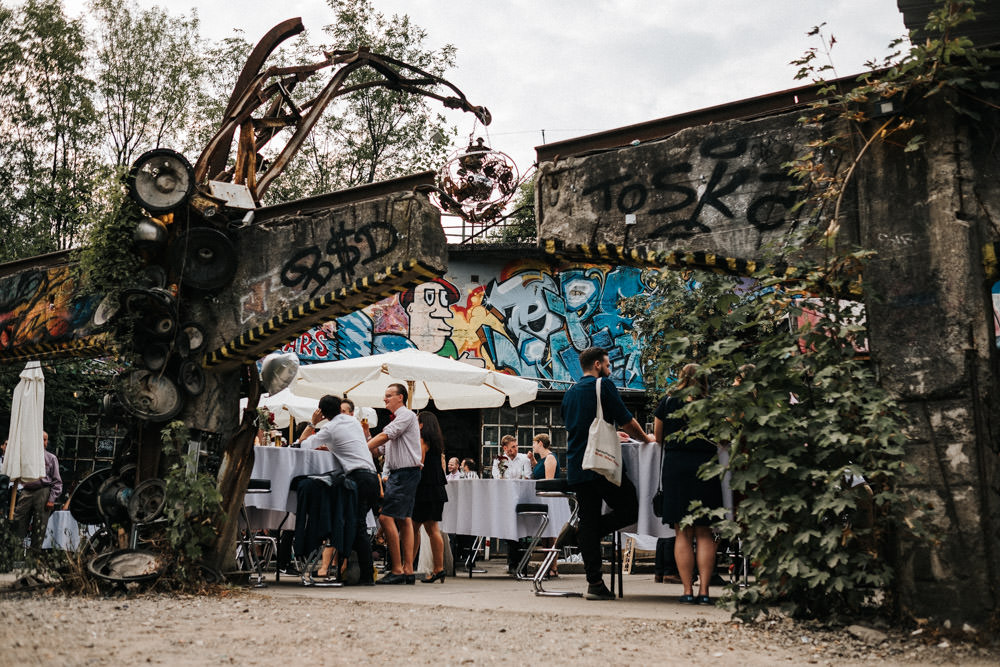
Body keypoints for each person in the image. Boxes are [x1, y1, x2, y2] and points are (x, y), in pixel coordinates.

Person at [562, 347, 654, 600]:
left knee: (589, 519)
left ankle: (595, 584)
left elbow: (580, 428)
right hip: (601, 465)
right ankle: (584, 533)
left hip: (578, 465)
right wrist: (646, 438)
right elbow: (627, 420)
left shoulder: (569, 393)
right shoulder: (604, 385)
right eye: (607, 364)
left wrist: (612, 433)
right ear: (596, 365)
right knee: (631, 507)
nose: (610, 368)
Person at [654, 362, 724, 605]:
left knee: (682, 532)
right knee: (705, 531)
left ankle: (686, 590)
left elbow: (659, 436)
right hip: (706, 465)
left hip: (676, 467)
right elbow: (724, 436)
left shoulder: (669, 401)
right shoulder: (713, 403)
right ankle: (704, 591)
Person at [298, 394, 380, 585]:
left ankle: (366, 576)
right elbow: (348, 446)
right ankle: (352, 571)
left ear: (323, 413)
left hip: (357, 478)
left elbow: (304, 445)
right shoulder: (353, 422)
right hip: (372, 477)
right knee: (356, 525)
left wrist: (312, 423)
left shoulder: (329, 427)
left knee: (356, 526)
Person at [367, 383, 422, 585]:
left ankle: (398, 569)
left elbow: (383, 437)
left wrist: (362, 447)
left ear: (401, 397)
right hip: (402, 474)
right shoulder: (398, 421)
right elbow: (379, 450)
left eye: (389, 395)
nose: (385, 399)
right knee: (404, 520)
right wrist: (366, 434)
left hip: (405, 474)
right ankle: (408, 569)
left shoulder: (406, 416)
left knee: (386, 517)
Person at [412, 412, 449, 583]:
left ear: (422, 424)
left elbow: (419, 462)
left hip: (424, 488)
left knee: (413, 527)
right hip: (437, 488)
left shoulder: (422, 439)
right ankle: (439, 569)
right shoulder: (436, 441)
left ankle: (408, 567)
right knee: (432, 529)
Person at [13, 431, 63, 552]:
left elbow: (57, 481)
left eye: (46, 440)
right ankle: (15, 553)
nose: (44, 442)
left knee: (39, 524)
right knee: (18, 521)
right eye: (42, 439)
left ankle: (34, 556)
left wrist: (52, 499)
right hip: (26, 491)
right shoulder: (25, 457)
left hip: (43, 491)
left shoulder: (51, 458)